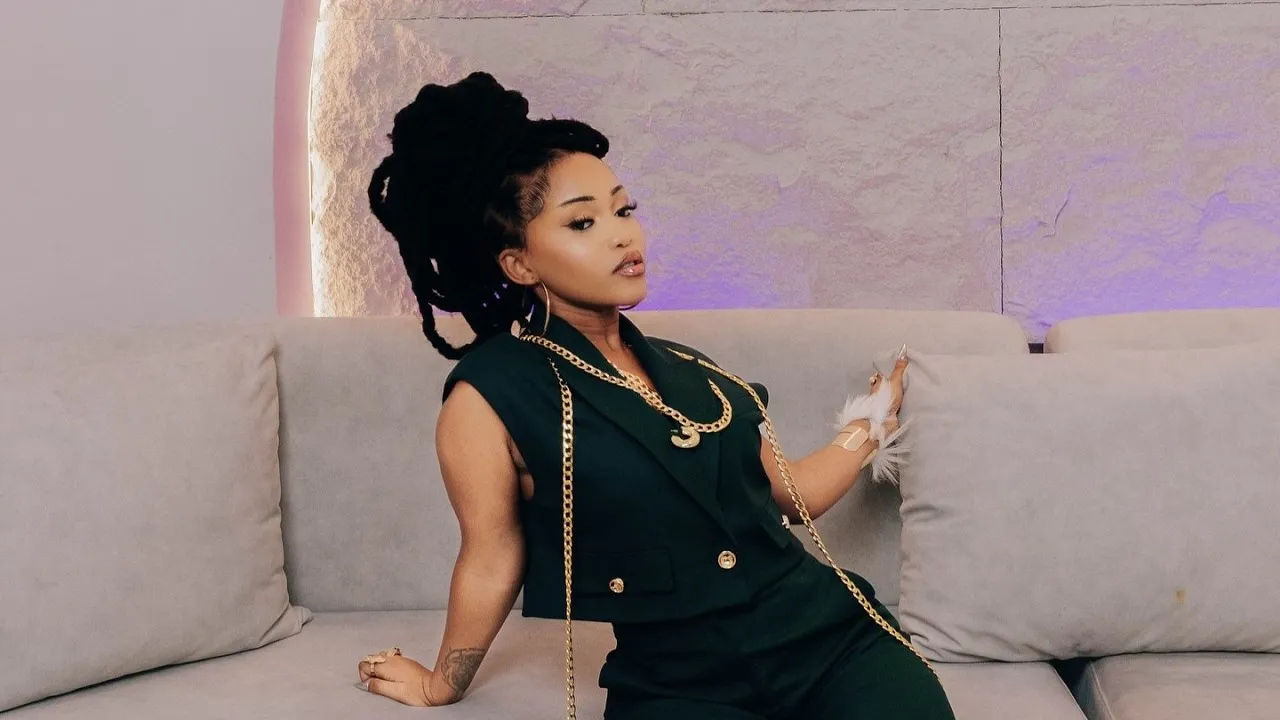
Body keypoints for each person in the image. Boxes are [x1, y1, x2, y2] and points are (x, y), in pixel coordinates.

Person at [355, 71, 955, 720]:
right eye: (582, 222)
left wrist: (870, 421)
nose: (623, 235)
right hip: (678, 682)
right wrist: (440, 684)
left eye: (624, 210)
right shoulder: (490, 396)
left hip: (831, 640)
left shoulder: (696, 372)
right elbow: (491, 556)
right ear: (519, 263)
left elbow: (793, 496)